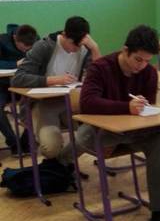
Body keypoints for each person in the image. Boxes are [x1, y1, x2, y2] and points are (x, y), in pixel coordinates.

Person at [60, 25, 160, 221]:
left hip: (130, 131)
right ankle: (62, 161)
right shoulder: (100, 68)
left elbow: (146, 112)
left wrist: (140, 110)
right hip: (101, 131)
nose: (142, 66)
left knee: (155, 143)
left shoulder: (148, 73)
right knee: (84, 136)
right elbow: (88, 103)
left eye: (147, 61)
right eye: (138, 59)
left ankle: (158, 212)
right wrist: (126, 107)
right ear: (125, 50)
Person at [12, 16, 101, 159]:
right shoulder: (44, 46)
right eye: (73, 44)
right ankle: (59, 163)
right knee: (51, 148)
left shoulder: (85, 47)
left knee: (95, 136)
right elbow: (18, 79)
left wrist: (95, 49)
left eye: (80, 46)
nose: (76, 49)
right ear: (64, 35)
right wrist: (51, 80)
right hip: (43, 103)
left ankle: (61, 163)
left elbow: (100, 77)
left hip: (72, 102)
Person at [0, 23, 38, 153]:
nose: (26, 52)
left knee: (38, 103)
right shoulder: (2, 41)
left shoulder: (36, 41)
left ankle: (25, 141)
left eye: (29, 49)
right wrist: (15, 63)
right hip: (3, 86)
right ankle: (13, 142)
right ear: (15, 38)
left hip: (24, 83)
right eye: (23, 48)